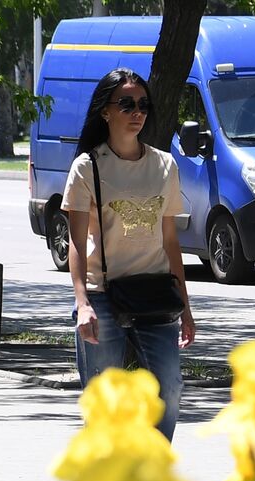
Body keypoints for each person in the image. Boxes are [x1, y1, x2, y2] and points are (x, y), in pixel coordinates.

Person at [62, 67, 193, 441]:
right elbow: (74, 241)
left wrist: (185, 306)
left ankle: (153, 475)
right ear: (105, 110)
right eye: (126, 104)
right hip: (102, 294)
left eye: (142, 105)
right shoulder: (88, 167)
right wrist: (82, 302)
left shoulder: (164, 165)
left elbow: (170, 242)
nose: (137, 112)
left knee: (168, 391)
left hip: (154, 294)